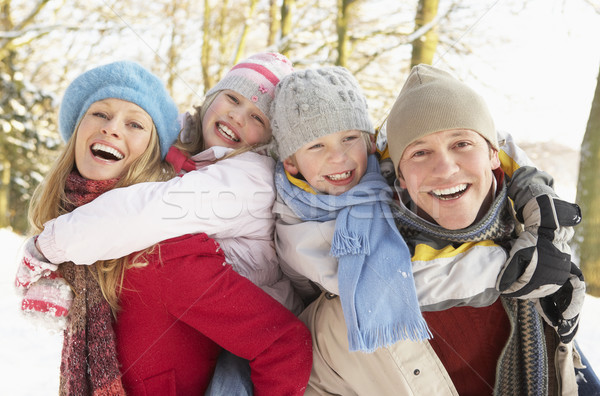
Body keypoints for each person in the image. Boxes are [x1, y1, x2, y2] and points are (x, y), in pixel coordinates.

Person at [272, 63, 588, 395]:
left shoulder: (543, 260)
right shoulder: (349, 307)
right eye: (420, 152)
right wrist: (508, 266)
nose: (445, 168)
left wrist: (544, 226)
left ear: (495, 154)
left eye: (462, 144)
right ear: (400, 175)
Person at [14, 60, 312, 395]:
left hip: (255, 323)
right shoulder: (103, 239)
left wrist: (47, 247)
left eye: (135, 125)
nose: (239, 116)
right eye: (100, 114)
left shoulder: (169, 242)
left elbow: (285, 344)